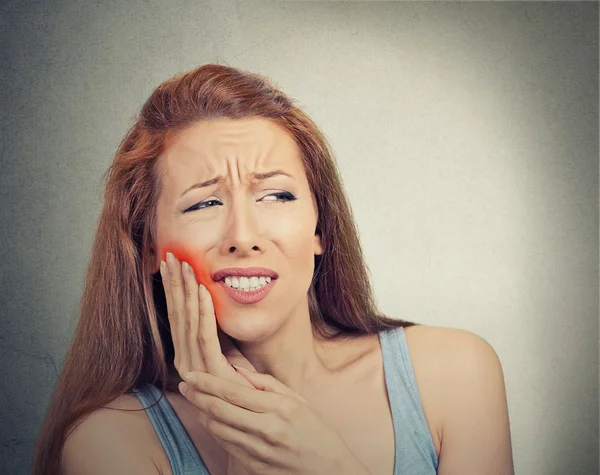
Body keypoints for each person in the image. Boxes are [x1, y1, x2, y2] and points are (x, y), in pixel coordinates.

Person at [33, 64, 514, 475]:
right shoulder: (111, 442)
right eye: (203, 203)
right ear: (147, 248)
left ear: (319, 227)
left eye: (276, 195)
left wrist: (329, 466)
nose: (244, 236)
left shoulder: (454, 375)